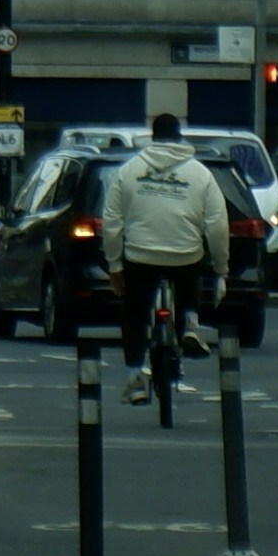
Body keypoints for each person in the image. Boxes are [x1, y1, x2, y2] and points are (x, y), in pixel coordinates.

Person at [102, 110, 231, 395]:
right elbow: (217, 226)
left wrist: (114, 265)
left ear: (153, 137)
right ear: (179, 137)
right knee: (190, 271)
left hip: (139, 255)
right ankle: (190, 323)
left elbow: (112, 221)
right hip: (185, 255)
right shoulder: (201, 174)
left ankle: (135, 378)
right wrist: (221, 269)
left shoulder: (128, 171)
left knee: (134, 312)